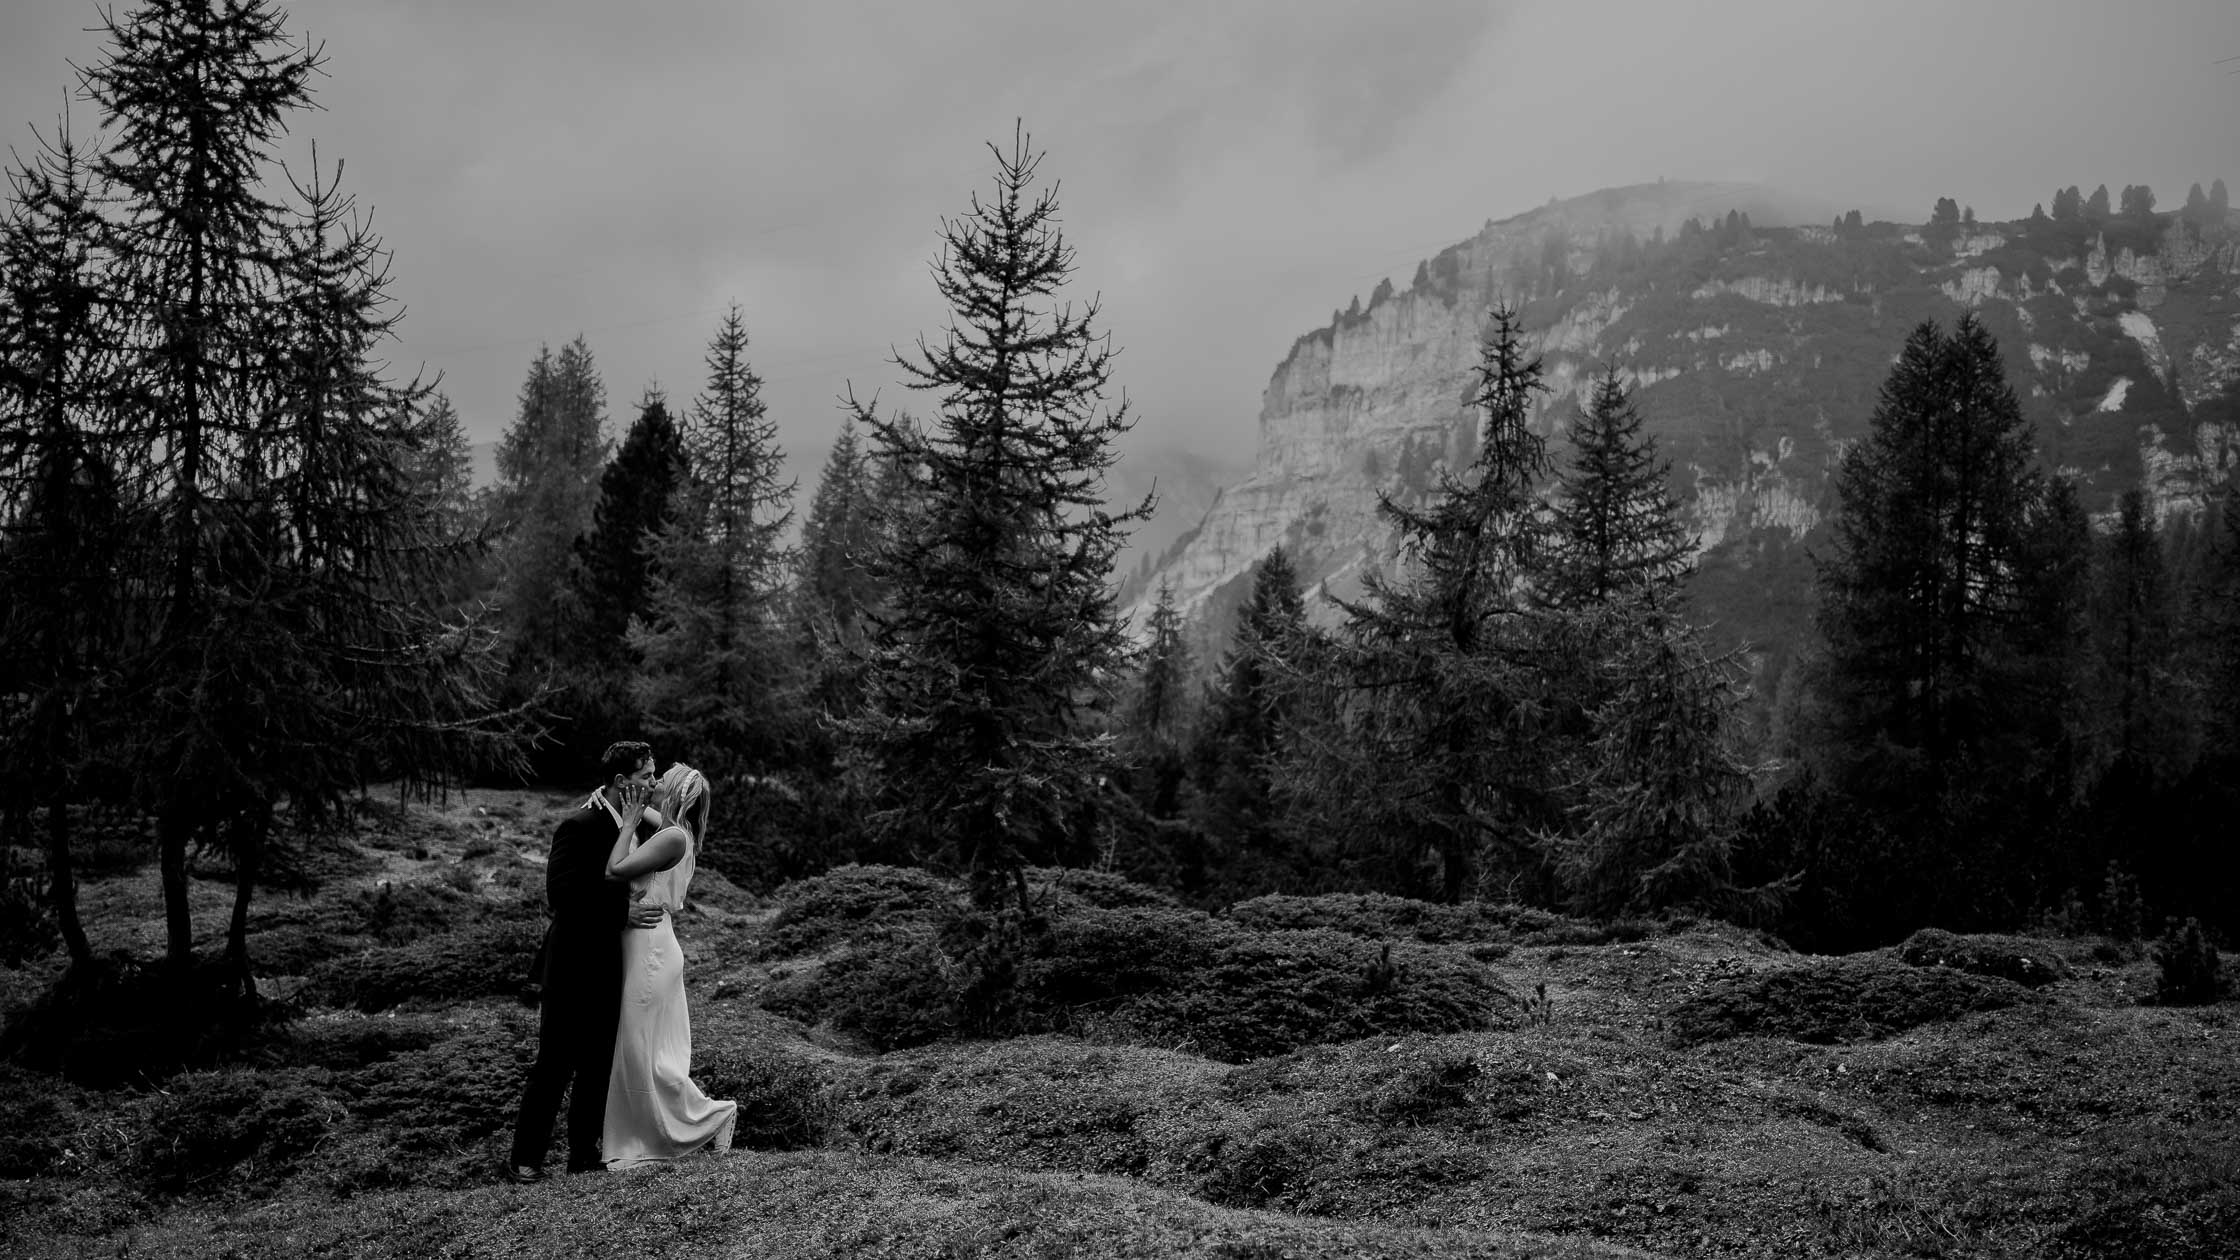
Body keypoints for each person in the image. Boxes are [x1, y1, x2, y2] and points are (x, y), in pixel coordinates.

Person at [504, 741, 667, 1183]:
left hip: (613, 963)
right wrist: (621, 913)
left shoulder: (637, 826)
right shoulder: (579, 824)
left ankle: (583, 1155)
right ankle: (525, 1160)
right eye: (646, 776)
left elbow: (676, 828)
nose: (652, 783)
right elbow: (562, 895)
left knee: (598, 1062)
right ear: (620, 782)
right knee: (554, 1062)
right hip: (572, 961)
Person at [600, 762, 738, 1168]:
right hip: (650, 943)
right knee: (639, 1050)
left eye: (661, 781)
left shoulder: (672, 837)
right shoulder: (677, 829)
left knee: (640, 1051)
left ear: (675, 792)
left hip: (651, 948)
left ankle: (710, 1116)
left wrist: (626, 824)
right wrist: (612, 794)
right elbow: (647, 810)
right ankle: (639, 1140)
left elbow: (614, 870)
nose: (655, 784)